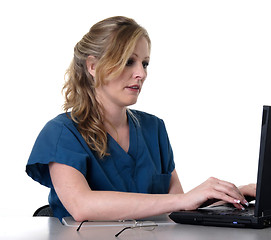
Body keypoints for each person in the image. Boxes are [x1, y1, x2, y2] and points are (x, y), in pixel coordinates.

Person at [26, 16, 256, 222]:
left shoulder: (153, 128)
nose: (142, 74)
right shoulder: (61, 132)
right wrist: (183, 200)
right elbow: (82, 206)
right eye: (129, 61)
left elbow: (178, 207)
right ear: (93, 66)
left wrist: (235, 193)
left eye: (144, 63)